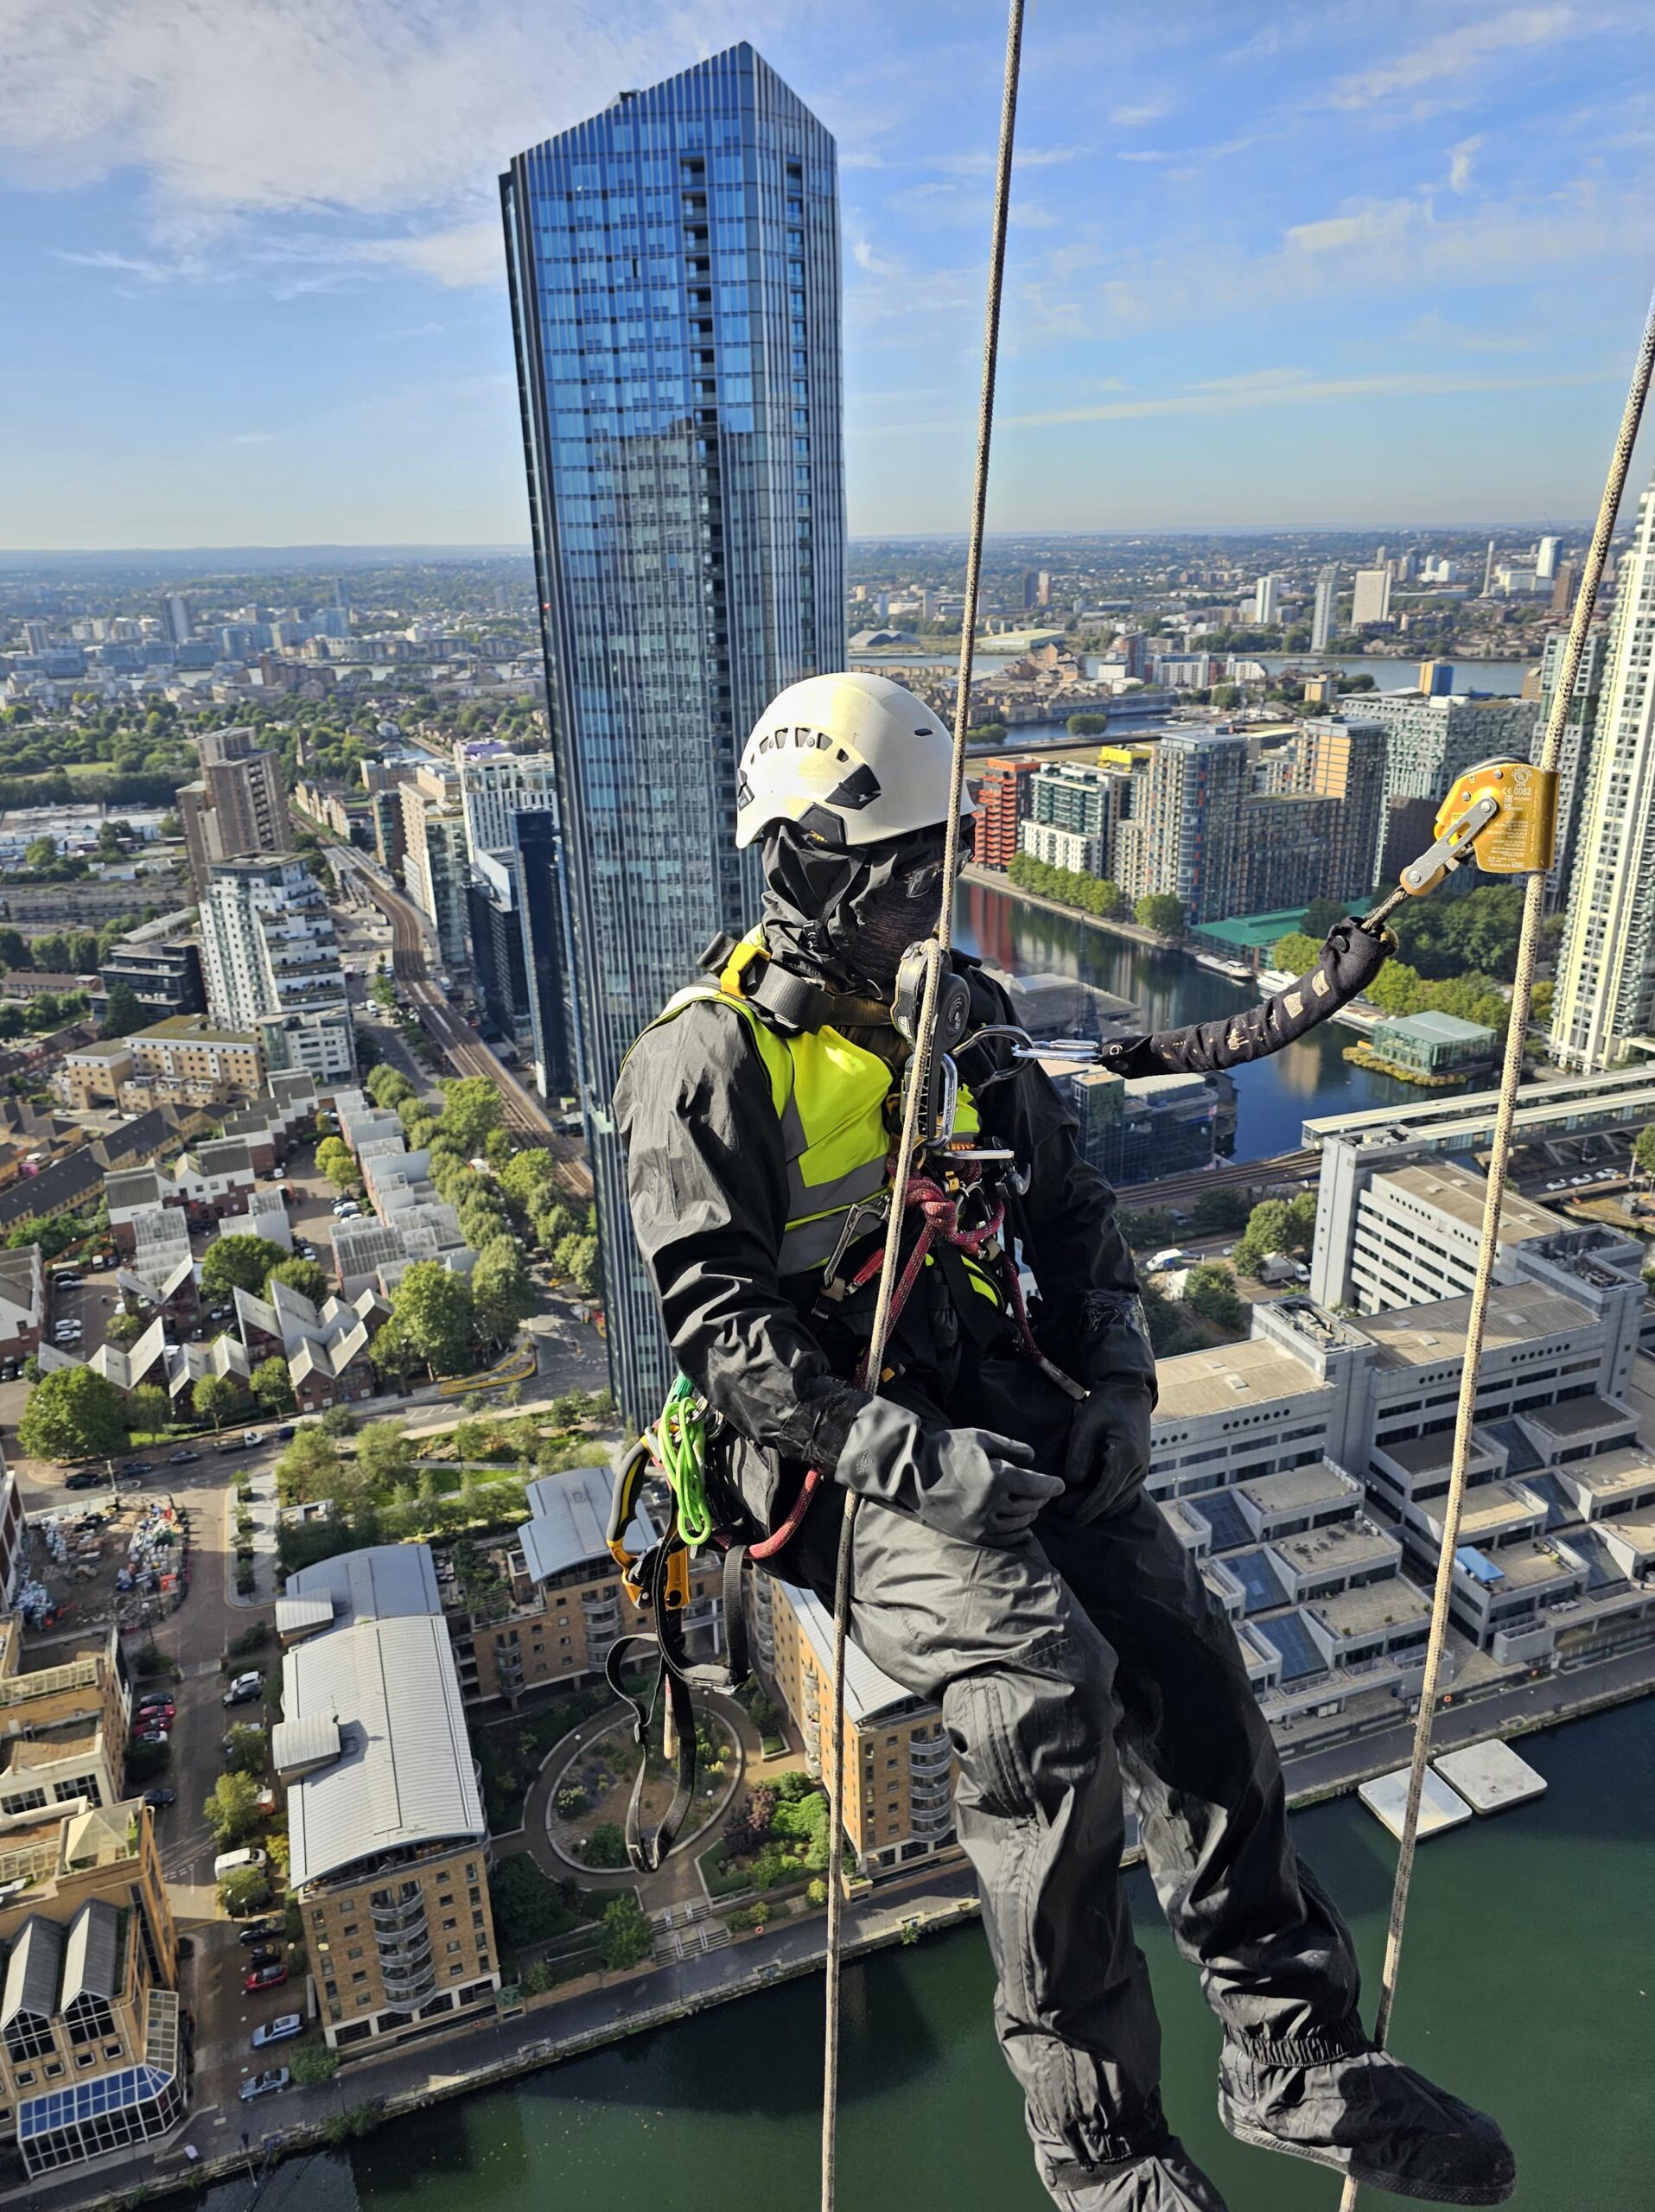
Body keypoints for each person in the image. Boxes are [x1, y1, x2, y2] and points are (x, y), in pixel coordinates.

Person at [614, 672, 1515, 2212]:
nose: (925, 902)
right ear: (812, 864)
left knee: (1184, 1657)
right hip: (835, 1455)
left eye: (930, 873)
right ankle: (1099, 2148)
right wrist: (911, 1461)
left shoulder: (953, 1015)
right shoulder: (703, 1066)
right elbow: (729, 1339)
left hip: (990, 1391)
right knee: (1043, 1688)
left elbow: (1074, 1210)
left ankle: (1289, 2053)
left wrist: (1116, 1388)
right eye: (899, 876)